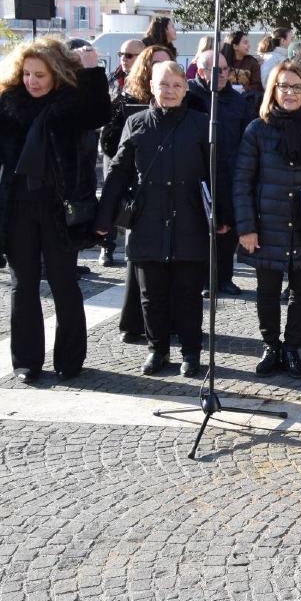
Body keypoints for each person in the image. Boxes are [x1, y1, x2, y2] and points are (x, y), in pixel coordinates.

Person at [0, 38, 109, 383]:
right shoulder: (5, 103)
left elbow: (99, 113)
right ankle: (26, 362)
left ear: (56, 74)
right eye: (27, 73)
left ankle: (70, 360)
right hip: (15, 207)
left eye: (40, 75)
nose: (32, 80)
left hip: (59, 208)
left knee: (64, 284)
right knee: (23, 285)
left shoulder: (70, 106)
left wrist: (91, 71)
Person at [96, 61, 222, 378]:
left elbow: (219, 173)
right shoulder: (136, 123)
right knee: (151, 295)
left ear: (186, 88)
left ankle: (191, 353)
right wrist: (104, 218)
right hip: (148, 219)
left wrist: (224, 216)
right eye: (163, 85)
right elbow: (118, 173)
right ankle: (158, 350)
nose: (170, 91)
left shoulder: (201, 123)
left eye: (176, 86)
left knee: (189, 294)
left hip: (189, 219)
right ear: (152, 86)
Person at [233, 62, 301, 378]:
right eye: (284, 86)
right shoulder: (257, 129)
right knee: (267, 293)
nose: (290, 92)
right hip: (267, 226)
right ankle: (271, 346)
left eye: (297, 87)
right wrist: (246, 227)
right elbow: (242, 182)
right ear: (273, 90)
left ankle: (293, 347)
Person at [99, 44, 172, 342]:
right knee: (138, 261)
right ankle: (133, 323)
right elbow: (109, 145)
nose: (161, 69)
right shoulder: (125, 102)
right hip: (138, 190)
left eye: (167, 63)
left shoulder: (183, 97)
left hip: (172, 187)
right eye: (155, 64)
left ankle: (170, 323)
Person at [190, 49, 255, 297]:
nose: (222, 74)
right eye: (216, 70)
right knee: (203, 229)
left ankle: (224, 277)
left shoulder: (237, 100)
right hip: (198, 172)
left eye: (226, 69)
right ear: (201, 70)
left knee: (228, 230)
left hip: (229, 173)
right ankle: (205, 279)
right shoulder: (191, 94)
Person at [221, 30, 263, 98]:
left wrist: (244, 89)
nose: (249, 45)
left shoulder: (252, 62)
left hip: (246, 99)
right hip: (225, 98)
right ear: (235, 46)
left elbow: (258, 85)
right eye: (245, 43)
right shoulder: (222, 61)